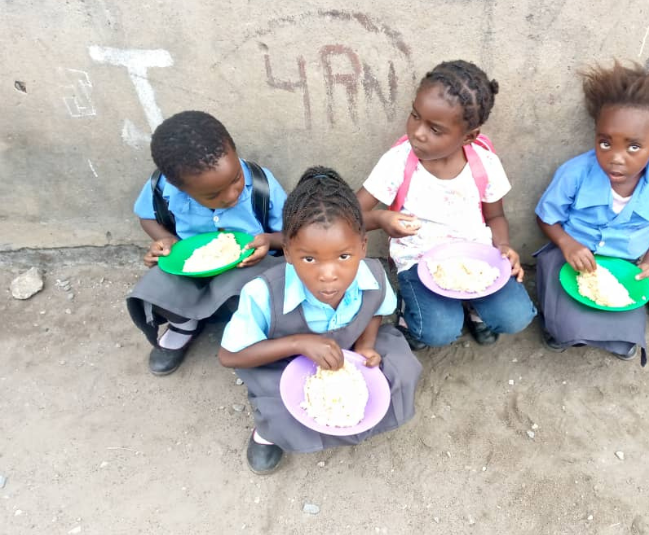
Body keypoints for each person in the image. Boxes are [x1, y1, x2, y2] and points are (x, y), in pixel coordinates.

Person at [218, 167, 422, 474]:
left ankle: (353, 416)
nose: (328, 274)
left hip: (348, 349)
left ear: (363, 247)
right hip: (285, 361)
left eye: (343, 257)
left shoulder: (374, 276)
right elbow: (229, 355)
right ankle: (268, 434)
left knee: (400, 371)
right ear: (287, 252)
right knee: (280, 407)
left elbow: (377, 309)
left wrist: (366, 346)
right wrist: (298, 343)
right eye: (309, 259)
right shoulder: (263, 293)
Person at [356, 59, 536, 350]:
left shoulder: (484, 163)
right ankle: (408, 311)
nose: (418, 132)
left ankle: (475, 307)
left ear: (469, 136)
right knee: (437, 332)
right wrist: (381, 220)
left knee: (515, 317)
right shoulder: (399, 161)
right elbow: (352, 215)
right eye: (415, 116)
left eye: (435, 129)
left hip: (475, 261)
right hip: (418, 258)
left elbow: (496, 216)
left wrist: (502, 246)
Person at [534, 60, 649, 362]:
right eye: (605, 143)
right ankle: (557, 323)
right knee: (565, 330)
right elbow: (547, 217)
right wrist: (568, 244)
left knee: (626, 341)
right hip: (569, 255)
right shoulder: (576, 172)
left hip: (624, 263)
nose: (615, 158)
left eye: (633, 147)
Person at [127, 110, 287, 375]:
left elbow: (292, 234)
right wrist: (165, 240)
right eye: (214, 194)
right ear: (181, 188)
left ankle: (252, 331)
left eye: (236, 179)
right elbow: (146, 217)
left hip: (246, 266)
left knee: (247, 289)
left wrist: (269, 240)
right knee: (154, 284)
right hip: (193, 265)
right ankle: (184, 323)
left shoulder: (261, 184)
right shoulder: (161, 187)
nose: (232, 194)